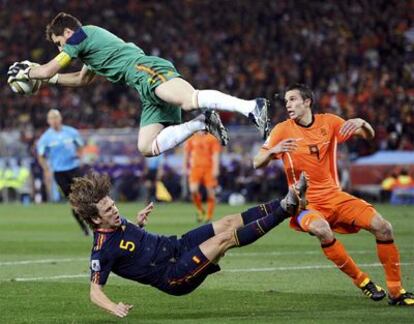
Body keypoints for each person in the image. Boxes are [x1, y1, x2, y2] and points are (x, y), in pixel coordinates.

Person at [7, 12, 270, 157]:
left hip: (145, 71)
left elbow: (51, 67)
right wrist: (46, 77)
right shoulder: (89, 47)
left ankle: (251, 107)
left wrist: (30, 71)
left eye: (58, 43)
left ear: (67, 33)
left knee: (188, 99)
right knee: (146, 147)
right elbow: (80, 79)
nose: (60, 47)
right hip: (143, 88)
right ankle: (202, 122)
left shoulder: (80, 34)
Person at [253, 83, 414, 306]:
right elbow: (256, 162)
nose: (287, 104)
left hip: (335, 196)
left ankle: (396, 292)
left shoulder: (329, 122)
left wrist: (363, 123)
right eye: (286, 101)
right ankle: (363, 282)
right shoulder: (282, 129)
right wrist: (273, 151)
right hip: (303, 204)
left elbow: (369, 135)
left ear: (307, 102)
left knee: (384, 227)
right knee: (322, 229)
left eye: (292, 99)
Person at [68, 172, 307, 318]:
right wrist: (113, 307)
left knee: (227, 221)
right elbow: (94, 291)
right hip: (173, 275)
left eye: (113, 204)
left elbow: (130, 247)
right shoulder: (101, 250)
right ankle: (286, 210)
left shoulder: (118, 222)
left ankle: (287, 197)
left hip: (176, 246)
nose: (115, 210)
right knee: (223, 240)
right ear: (96, 219)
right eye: (108, 210)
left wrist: (138, 224)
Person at [37, 109, 90, 235]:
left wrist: (81, 157)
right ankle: (84, 227)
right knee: (74, 201)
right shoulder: (45, 138)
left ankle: (92, 223)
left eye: (56, 117)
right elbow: (41, 156)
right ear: (48, 121)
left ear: (60, 119)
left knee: (85, 197)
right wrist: (46, 169)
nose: (54, 120)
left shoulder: (71, 132)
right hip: (59, 173)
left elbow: (81, 146)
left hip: (74, 169)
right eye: (51, 118)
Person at [184, 131, 221, 222]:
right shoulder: (191, 137)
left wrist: (216, 168)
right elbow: (186, 153)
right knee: (193, 190)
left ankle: (209, 215)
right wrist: (185, 167)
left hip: (209, 168)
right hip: (195, 168)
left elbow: (215, 154)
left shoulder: (212, 138)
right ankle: (200, 210)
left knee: (210, 192)